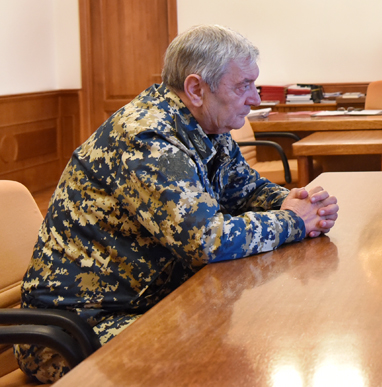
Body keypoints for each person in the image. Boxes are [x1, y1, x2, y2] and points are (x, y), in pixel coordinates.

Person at [16, 25, 339, 383]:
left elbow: (245, 190)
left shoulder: (208, 128)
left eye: (254, 85)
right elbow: (205, 240)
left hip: (150, 302)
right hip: (78, 326)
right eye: (242, 86)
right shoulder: (147, 136)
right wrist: (293, 221)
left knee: (255, 338)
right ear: (196, 89)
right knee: (212, 362)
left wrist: (297, 203)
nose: (255, 99)